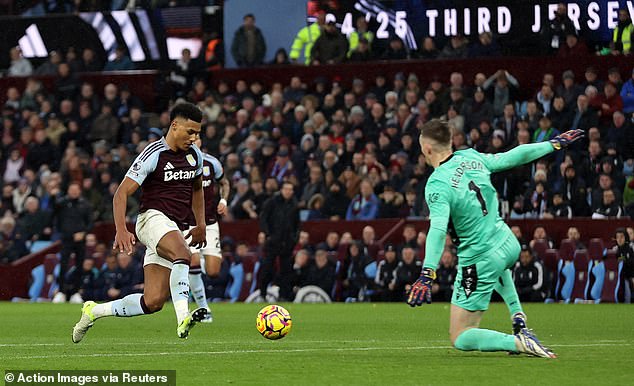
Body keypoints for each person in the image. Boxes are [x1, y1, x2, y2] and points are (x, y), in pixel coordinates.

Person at [407, 118, 584, 358]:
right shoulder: (470, 156)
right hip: (508, 242)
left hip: (480, 259)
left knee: (460, 335)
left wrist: (427, 273)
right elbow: (512, 157)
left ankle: (518, 342)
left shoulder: (437, 184)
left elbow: (438, 230)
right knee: (500, 266)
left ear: (426, 149)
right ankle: (519, 318)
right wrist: (552, 144)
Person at [72, 103, 208, 343]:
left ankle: (94, 311)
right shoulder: (153, 153)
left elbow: (197, 189)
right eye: (190, 131)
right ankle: (183, 318)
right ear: (174, 126)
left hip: (173, 227)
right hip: (151, 219)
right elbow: (121, 193)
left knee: (153, 301)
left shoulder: (194, 155)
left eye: (197, 132)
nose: (195, 137)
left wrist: (201, 225)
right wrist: (121, 229)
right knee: (183, 254)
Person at [187, 138, 231, 323]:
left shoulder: (212, 163)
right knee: (193, 263)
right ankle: (204, 309)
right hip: (188, 223)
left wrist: (223, 200)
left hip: (210, 222)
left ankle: (198, 262)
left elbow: (225, 183)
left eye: (196, 138)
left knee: (213, 271)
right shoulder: (179, 164)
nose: (193, 141)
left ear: (200, 141)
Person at [259, 181, 300, 301]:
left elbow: (297, 224)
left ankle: (284, 295)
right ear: (281, 190)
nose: (288, 192)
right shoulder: (272, 202)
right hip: (273, 241)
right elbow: (263, 218)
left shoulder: (294, 204)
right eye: (286, 189)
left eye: (290, 189)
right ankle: (263, 292)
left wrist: (294, 238)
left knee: (286, 270)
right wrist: (268, 234)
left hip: (287, 242)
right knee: (267, 267)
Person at [53, 182, 93, 303]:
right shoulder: (62, 203)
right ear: (68, 191)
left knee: (79, 265)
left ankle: (75, 292)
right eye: (72, 189)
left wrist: (83, 233)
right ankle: (61, 292)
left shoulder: (85, 205)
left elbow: (90, 222)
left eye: (76, 190)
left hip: (80, 240)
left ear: (79, 191)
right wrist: (53, 196)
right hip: (66, 239)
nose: (74, 192)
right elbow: (54, 212)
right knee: (63, 265)